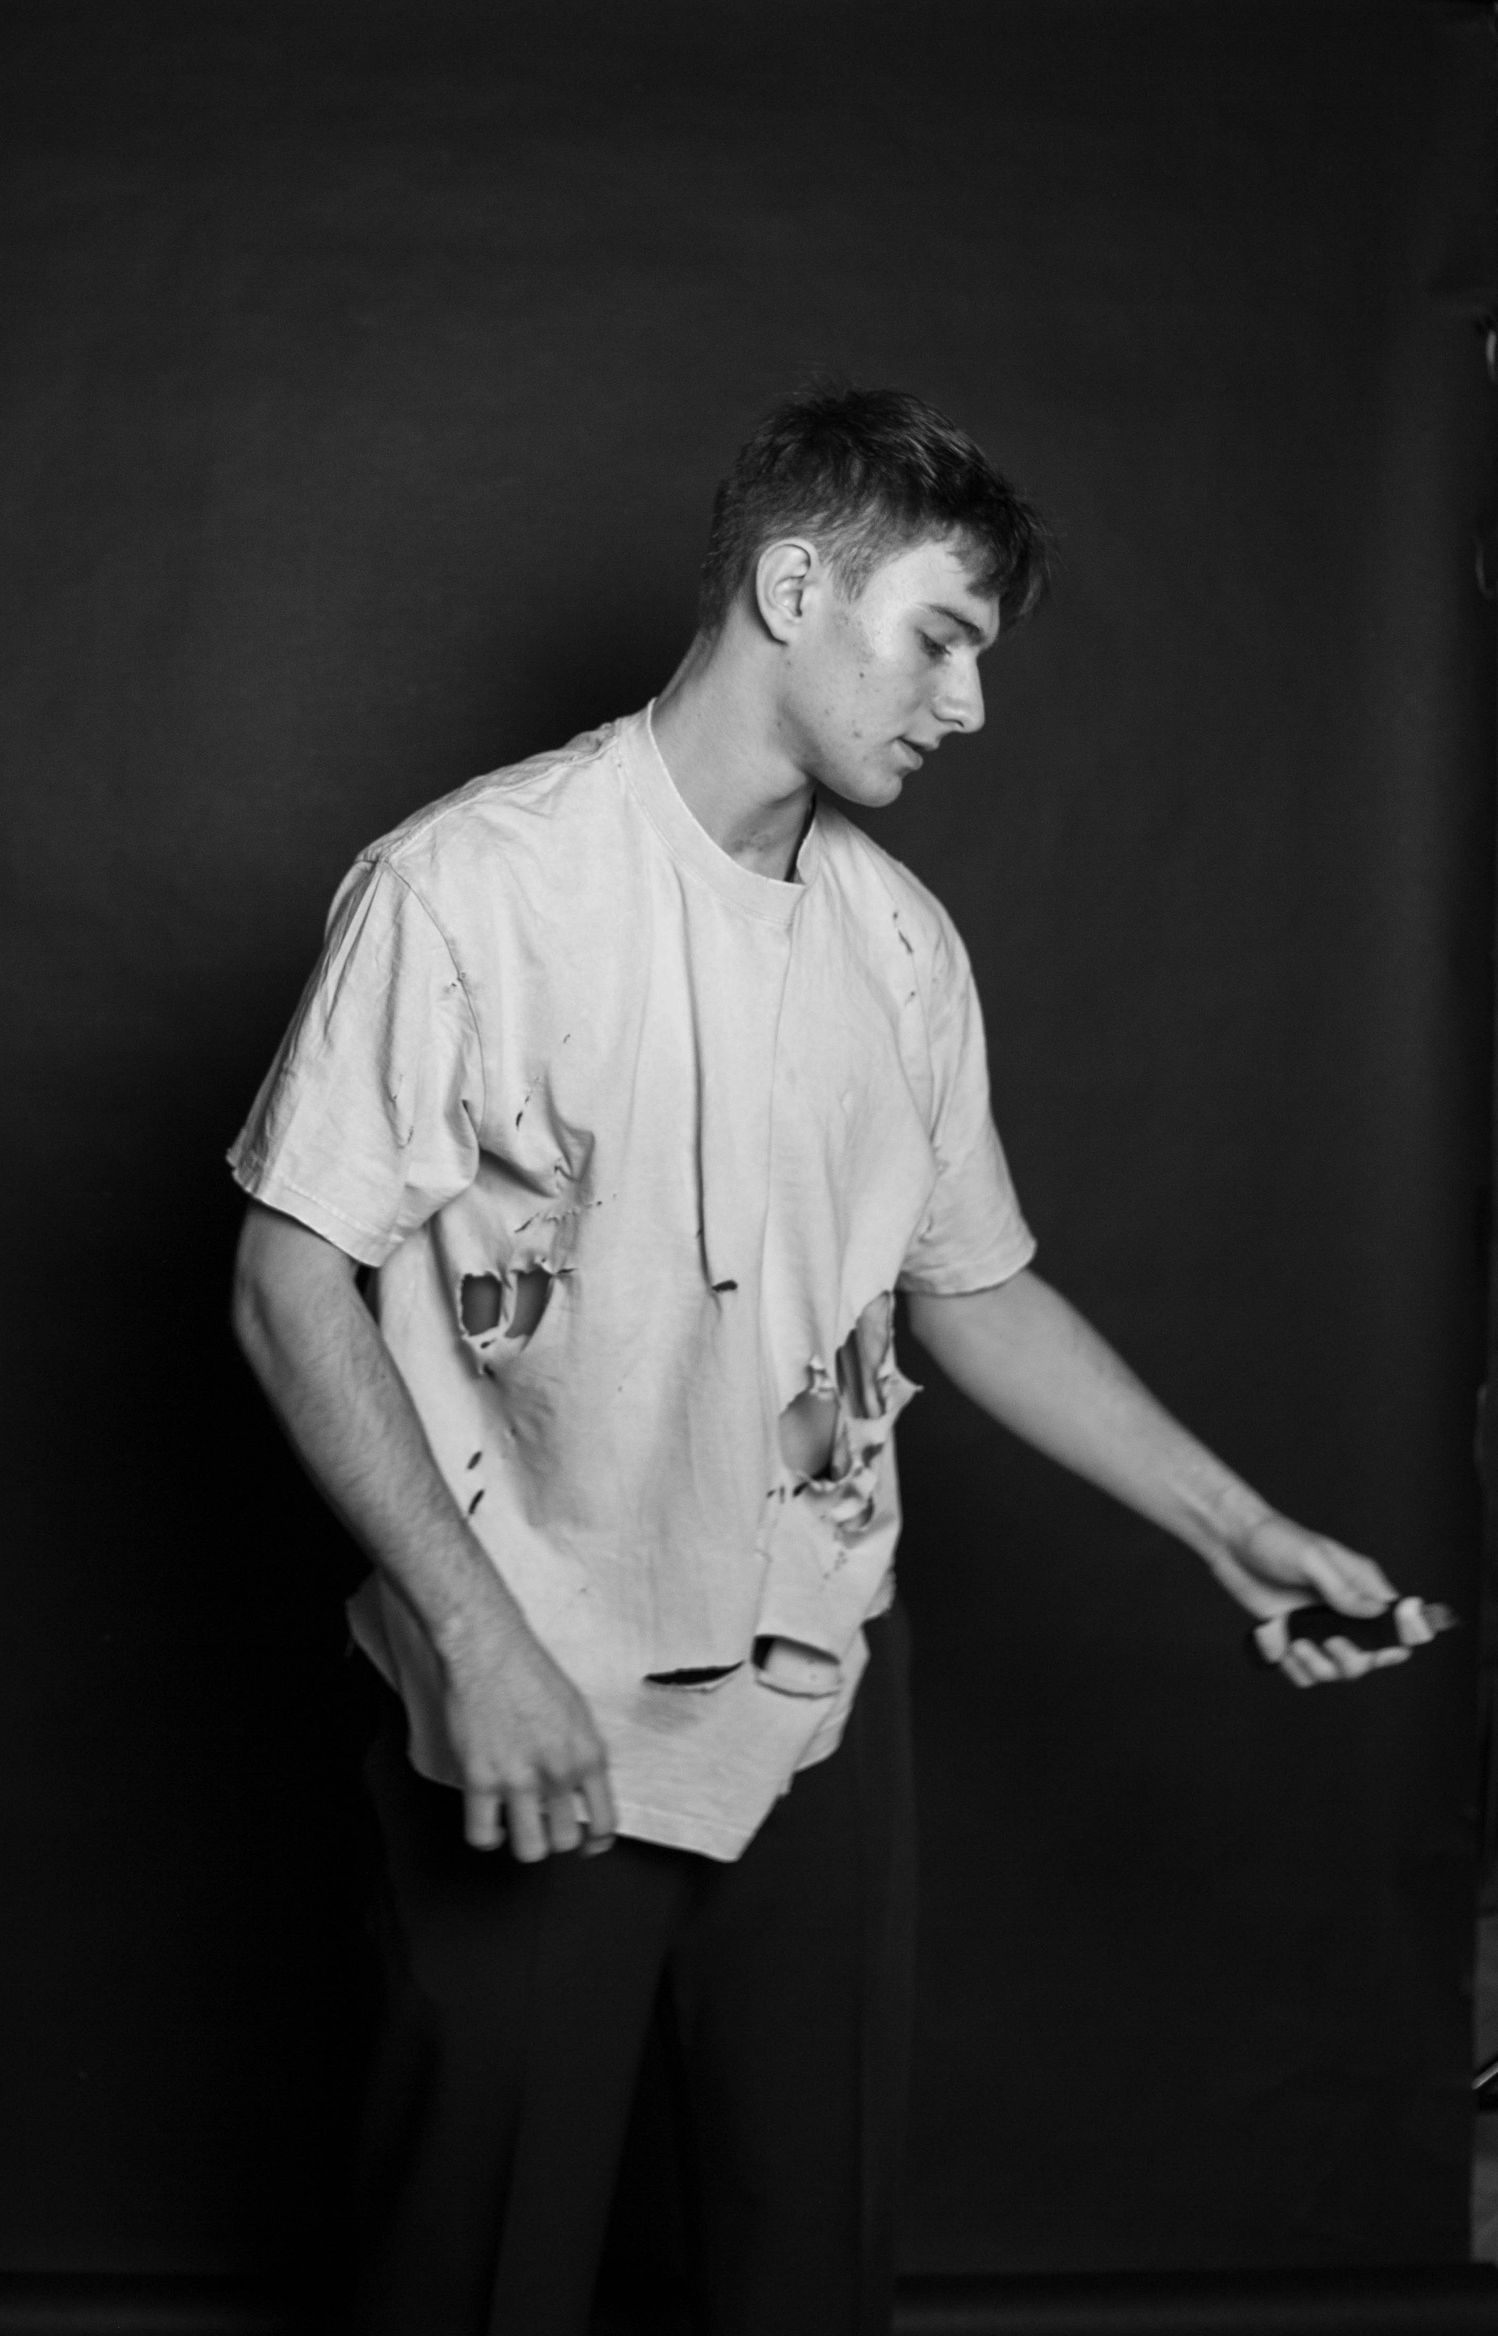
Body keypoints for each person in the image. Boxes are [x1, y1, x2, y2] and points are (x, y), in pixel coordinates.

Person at [228, 386, 1432, 2336]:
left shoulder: (906, 948)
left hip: (813, 1706)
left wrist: (1239, 1529)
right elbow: (290, 1276)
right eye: (941, 638)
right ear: (796, 588)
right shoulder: (469, 889)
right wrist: (474, 1638)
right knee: (476, 2275)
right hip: (534, 1691)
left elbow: (971, 1285)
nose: (970, 705)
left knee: (800, 2271)